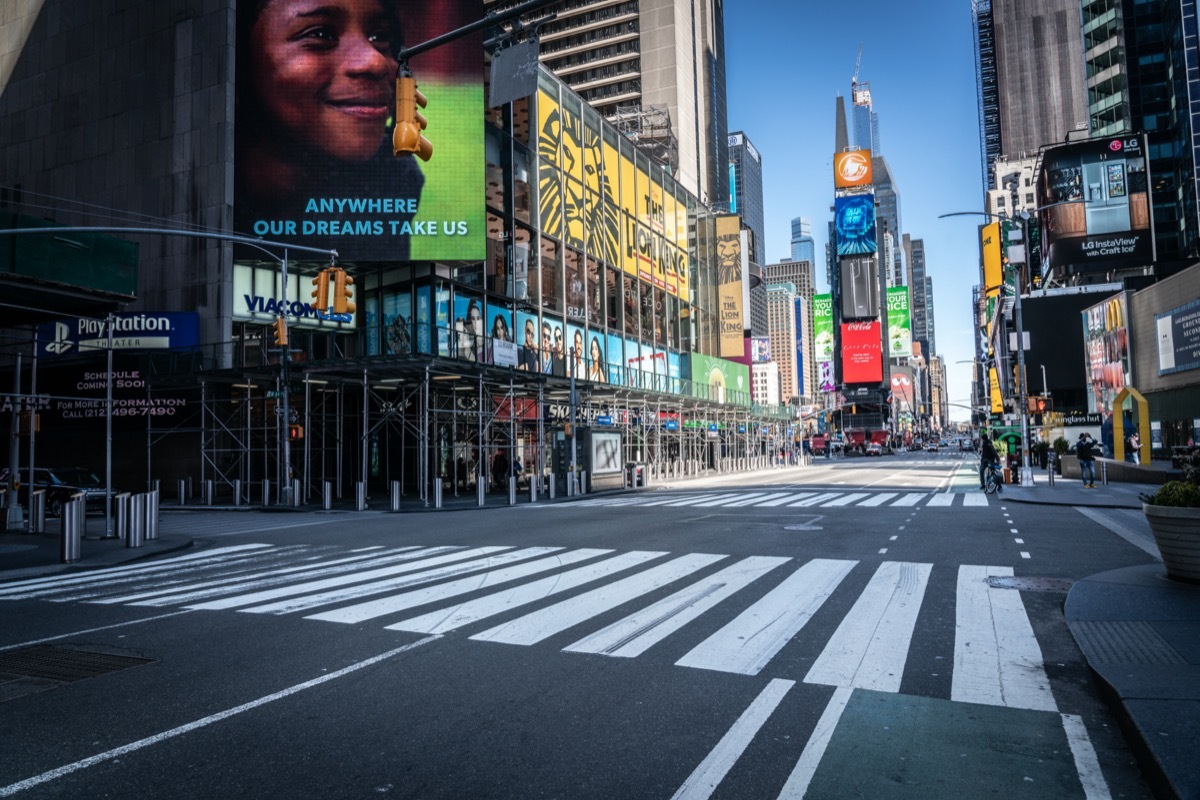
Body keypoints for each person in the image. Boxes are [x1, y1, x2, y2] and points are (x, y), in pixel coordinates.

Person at [234, 0, 424, 260]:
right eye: (320, 34)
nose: (375, 62)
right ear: (238, 62)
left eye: (380, 36)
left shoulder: (393, 174)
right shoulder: (198, 193)